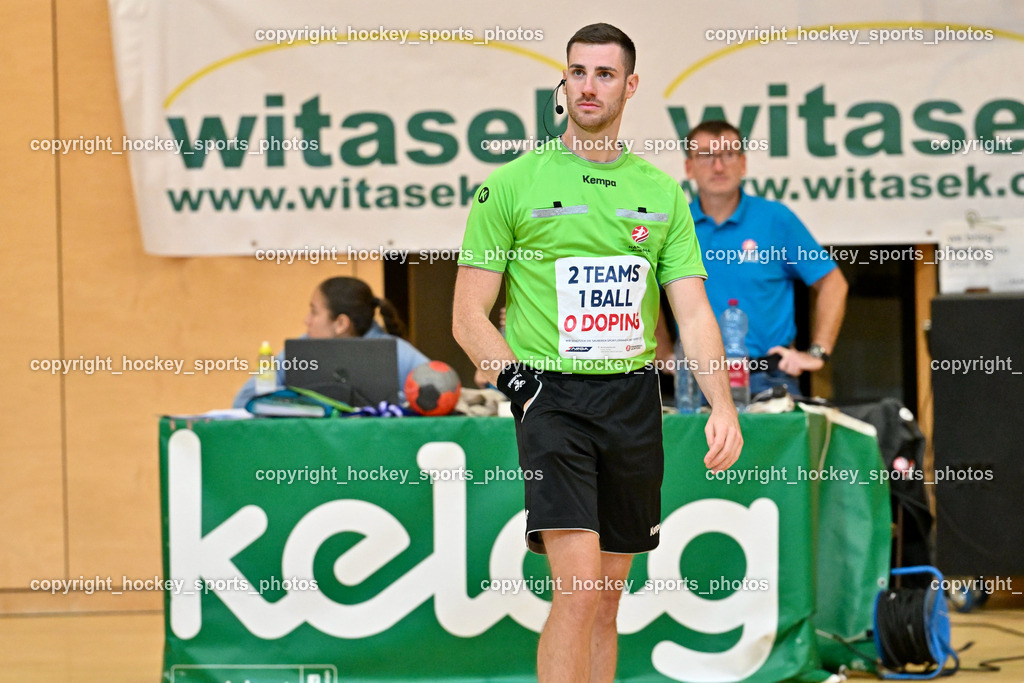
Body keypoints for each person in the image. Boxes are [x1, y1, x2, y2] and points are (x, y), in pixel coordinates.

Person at [452, 24, 742, 682]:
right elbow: (468, 315)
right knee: (577, 591)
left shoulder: (663, 193)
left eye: (605, 74)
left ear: (629, 86)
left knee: (608, 599)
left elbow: (691, 310)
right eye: (578, 72)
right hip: (551, 397)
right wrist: (518, 382)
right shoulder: (511, 186)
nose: (589, 86)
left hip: (633, 399)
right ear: (564, 81)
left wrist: (722, 403)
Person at [684, 120, 848, 397]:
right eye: (705, 156)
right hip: (696, 381)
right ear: (688, 167)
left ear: (744, 163)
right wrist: (661, 351)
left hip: (768, 379)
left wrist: (818, 352)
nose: (718, 166)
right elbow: (643, 287)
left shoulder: (775, 219)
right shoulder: (677, 223)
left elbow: (834, 284)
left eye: (728, 154)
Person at [232, 277, 429, 408]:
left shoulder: (398, 352)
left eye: (314, 312)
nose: (306, 320)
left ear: (341, 323)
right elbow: (244, 401)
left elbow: (442, 394)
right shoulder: (298, 352)